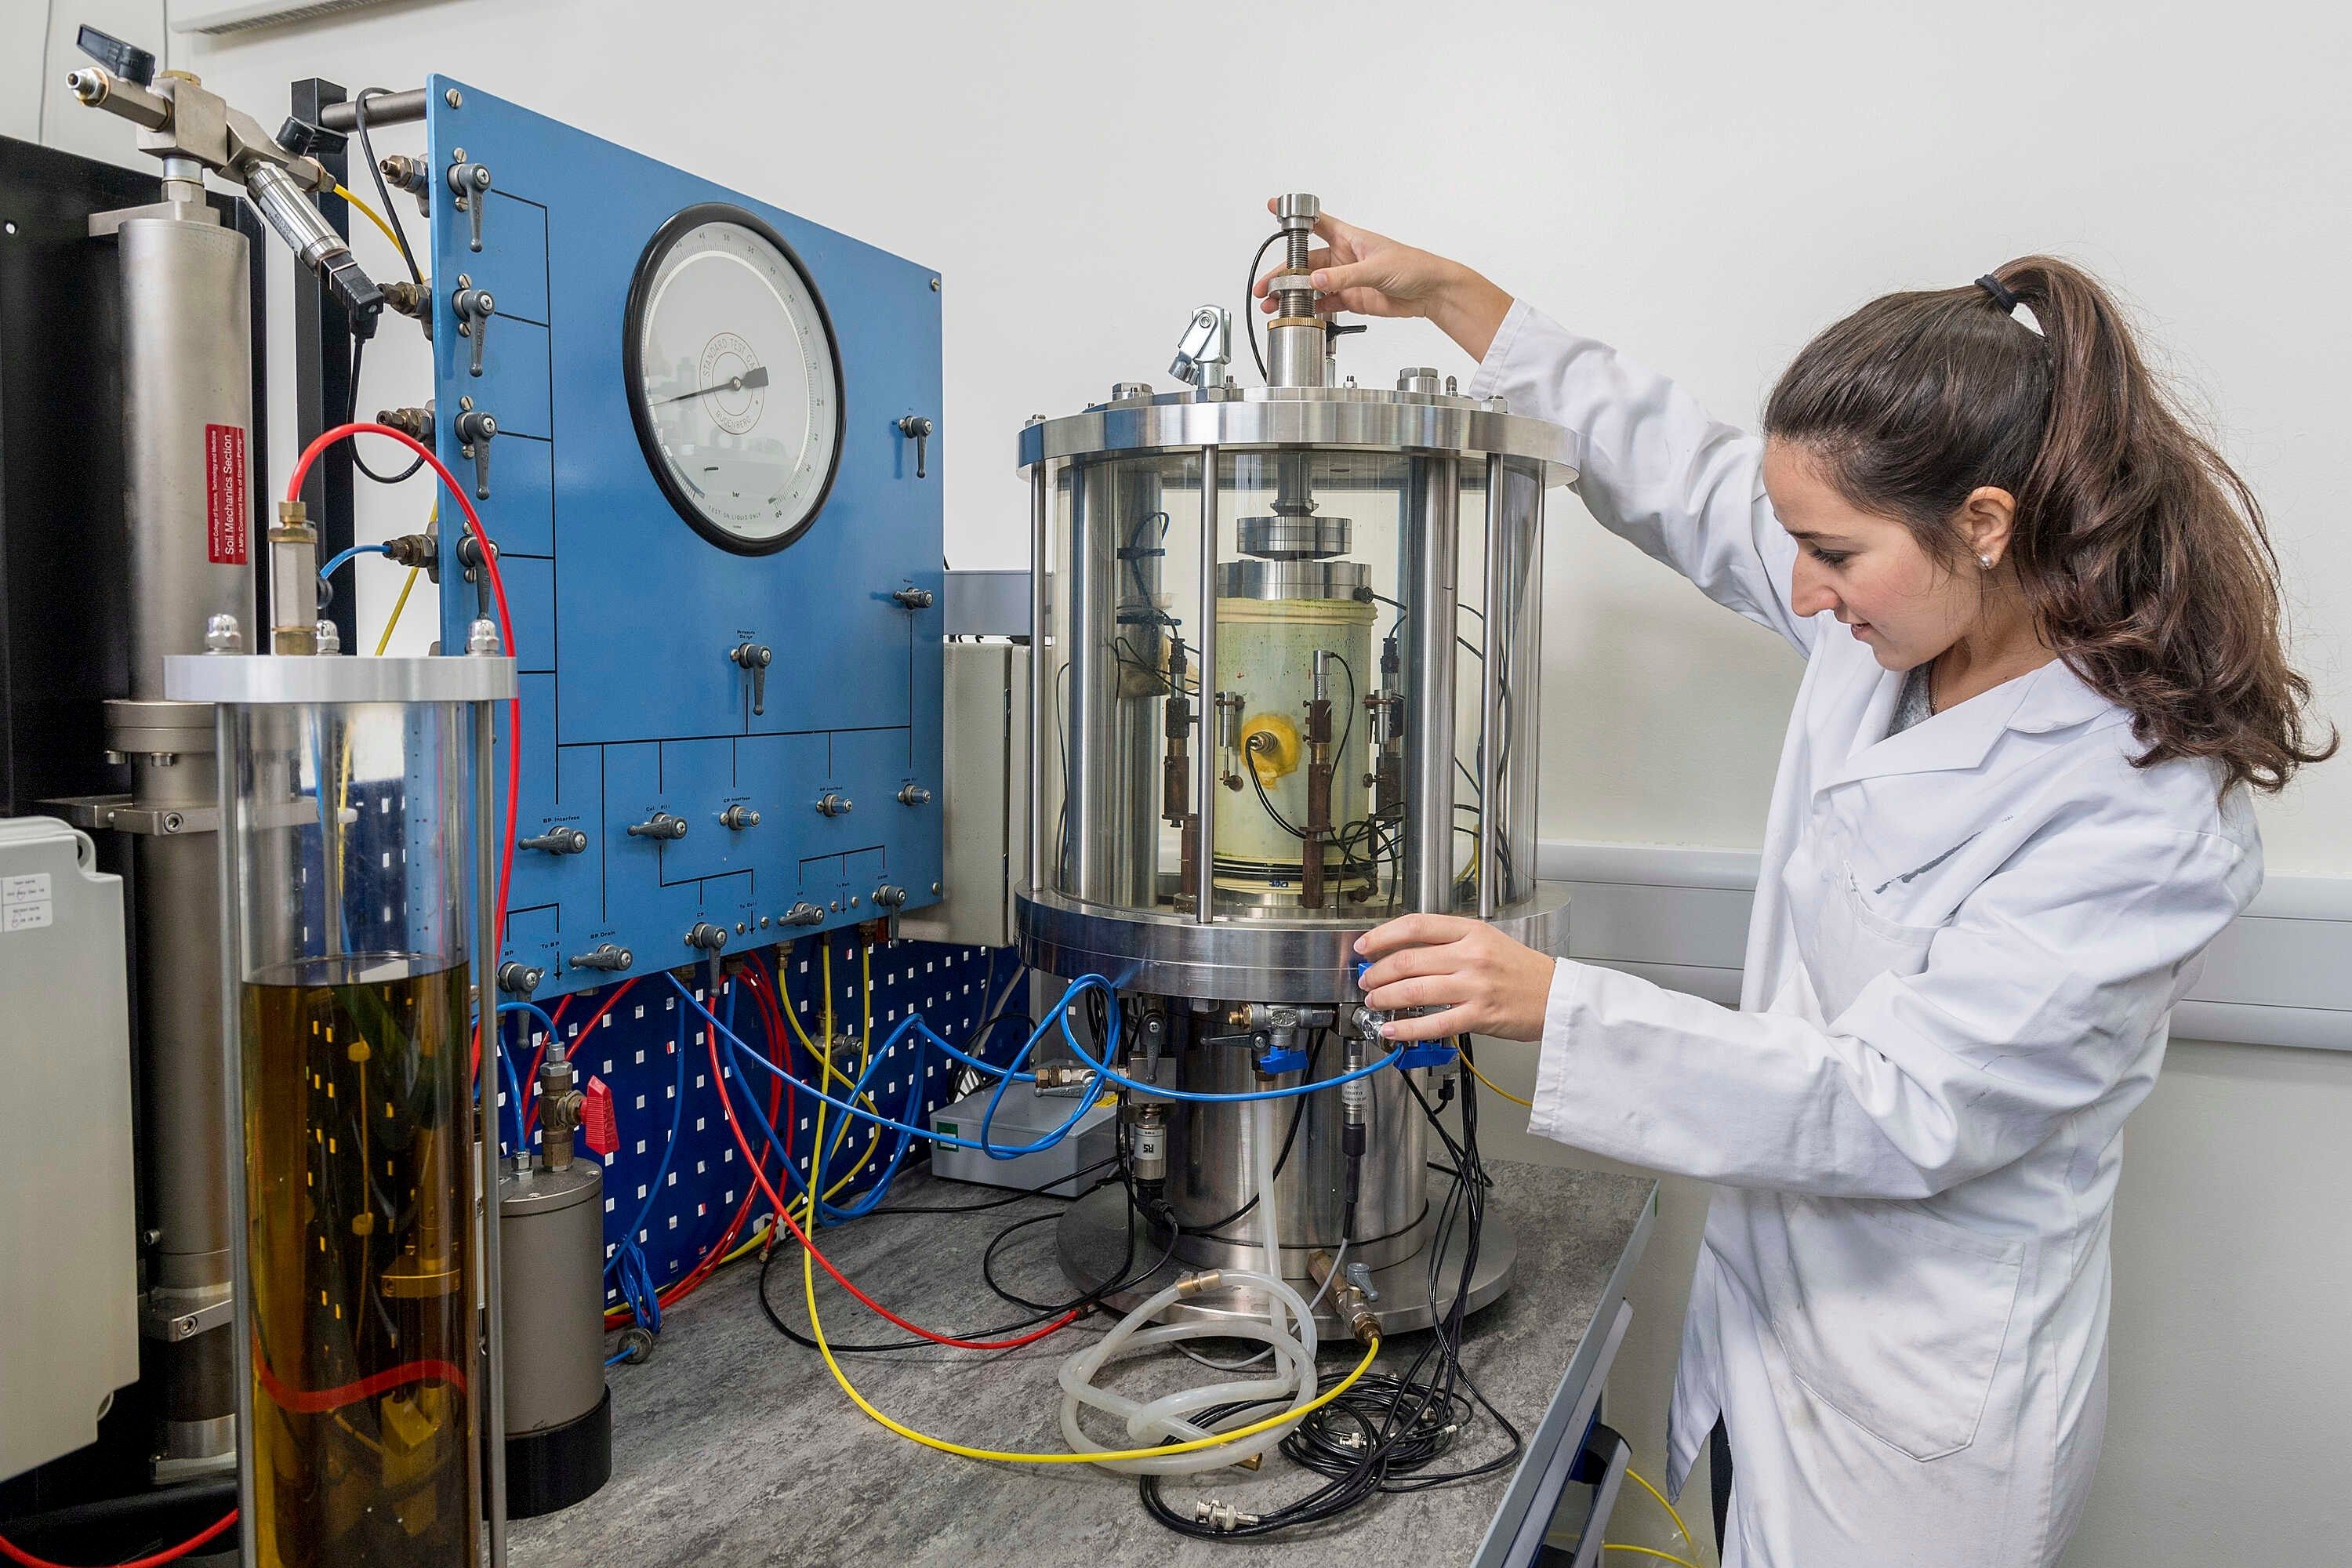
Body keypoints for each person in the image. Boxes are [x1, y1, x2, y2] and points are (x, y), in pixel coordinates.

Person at [1276, 209, 2337, 1566]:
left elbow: (1905, 1105)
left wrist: (1561, 1005)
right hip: (1775, 1321)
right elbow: (1690, 473)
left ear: (1989, 523)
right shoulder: (1893, 619)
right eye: (1802, 545)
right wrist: (1457, 297)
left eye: (1831, 554)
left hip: (1925, 1401)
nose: (1801, 587)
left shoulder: (2142, 809)